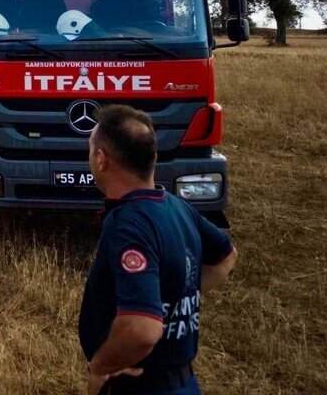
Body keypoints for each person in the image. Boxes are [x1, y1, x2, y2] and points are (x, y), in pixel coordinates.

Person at [80, 105, 237, 395]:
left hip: (141, 387)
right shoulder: (178, 208)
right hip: (183, 383)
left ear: (101, 160)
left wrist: (101, 366)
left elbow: (143, 330)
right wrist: (172, 296)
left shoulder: (128, 224)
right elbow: (225, 258)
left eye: (90, 149)